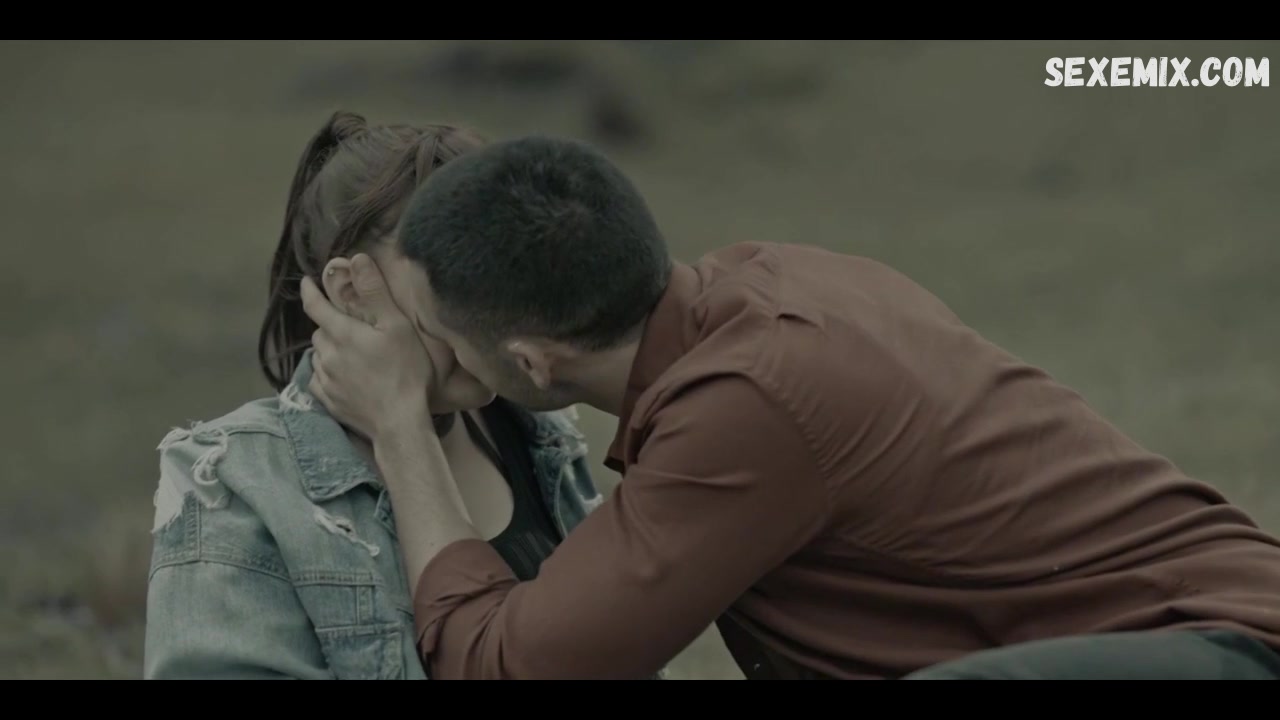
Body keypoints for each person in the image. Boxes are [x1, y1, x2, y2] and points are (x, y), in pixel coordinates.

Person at [299, 134, 1280, 681]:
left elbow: (508, 669)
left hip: (1214, 651)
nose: (420, 349)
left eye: (433, 330)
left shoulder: (749, 403)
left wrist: (400, 429)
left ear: (528, 360)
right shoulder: (767, 288)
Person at [142, 114, 616, 680]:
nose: (502, 309)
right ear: (351, 290)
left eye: (508, 269)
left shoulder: (540, 434)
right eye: (460, 276)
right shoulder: (236, 481)